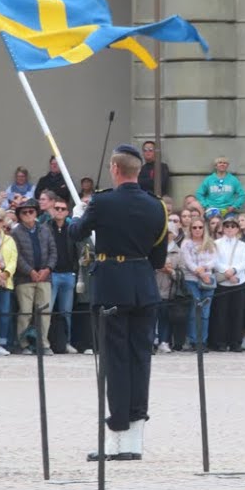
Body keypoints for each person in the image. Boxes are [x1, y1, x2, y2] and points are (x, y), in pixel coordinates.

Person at [71, 144, 168, 461]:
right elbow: (158, 257)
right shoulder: (157, 207)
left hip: (112, 287)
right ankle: (134, 442)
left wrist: (79, 216)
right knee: (141, 361)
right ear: (137, 171)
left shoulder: (102, 202)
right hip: (143, 286)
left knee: (115, 363)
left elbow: (76, 233)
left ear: (115, 169)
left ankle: (115, 442)